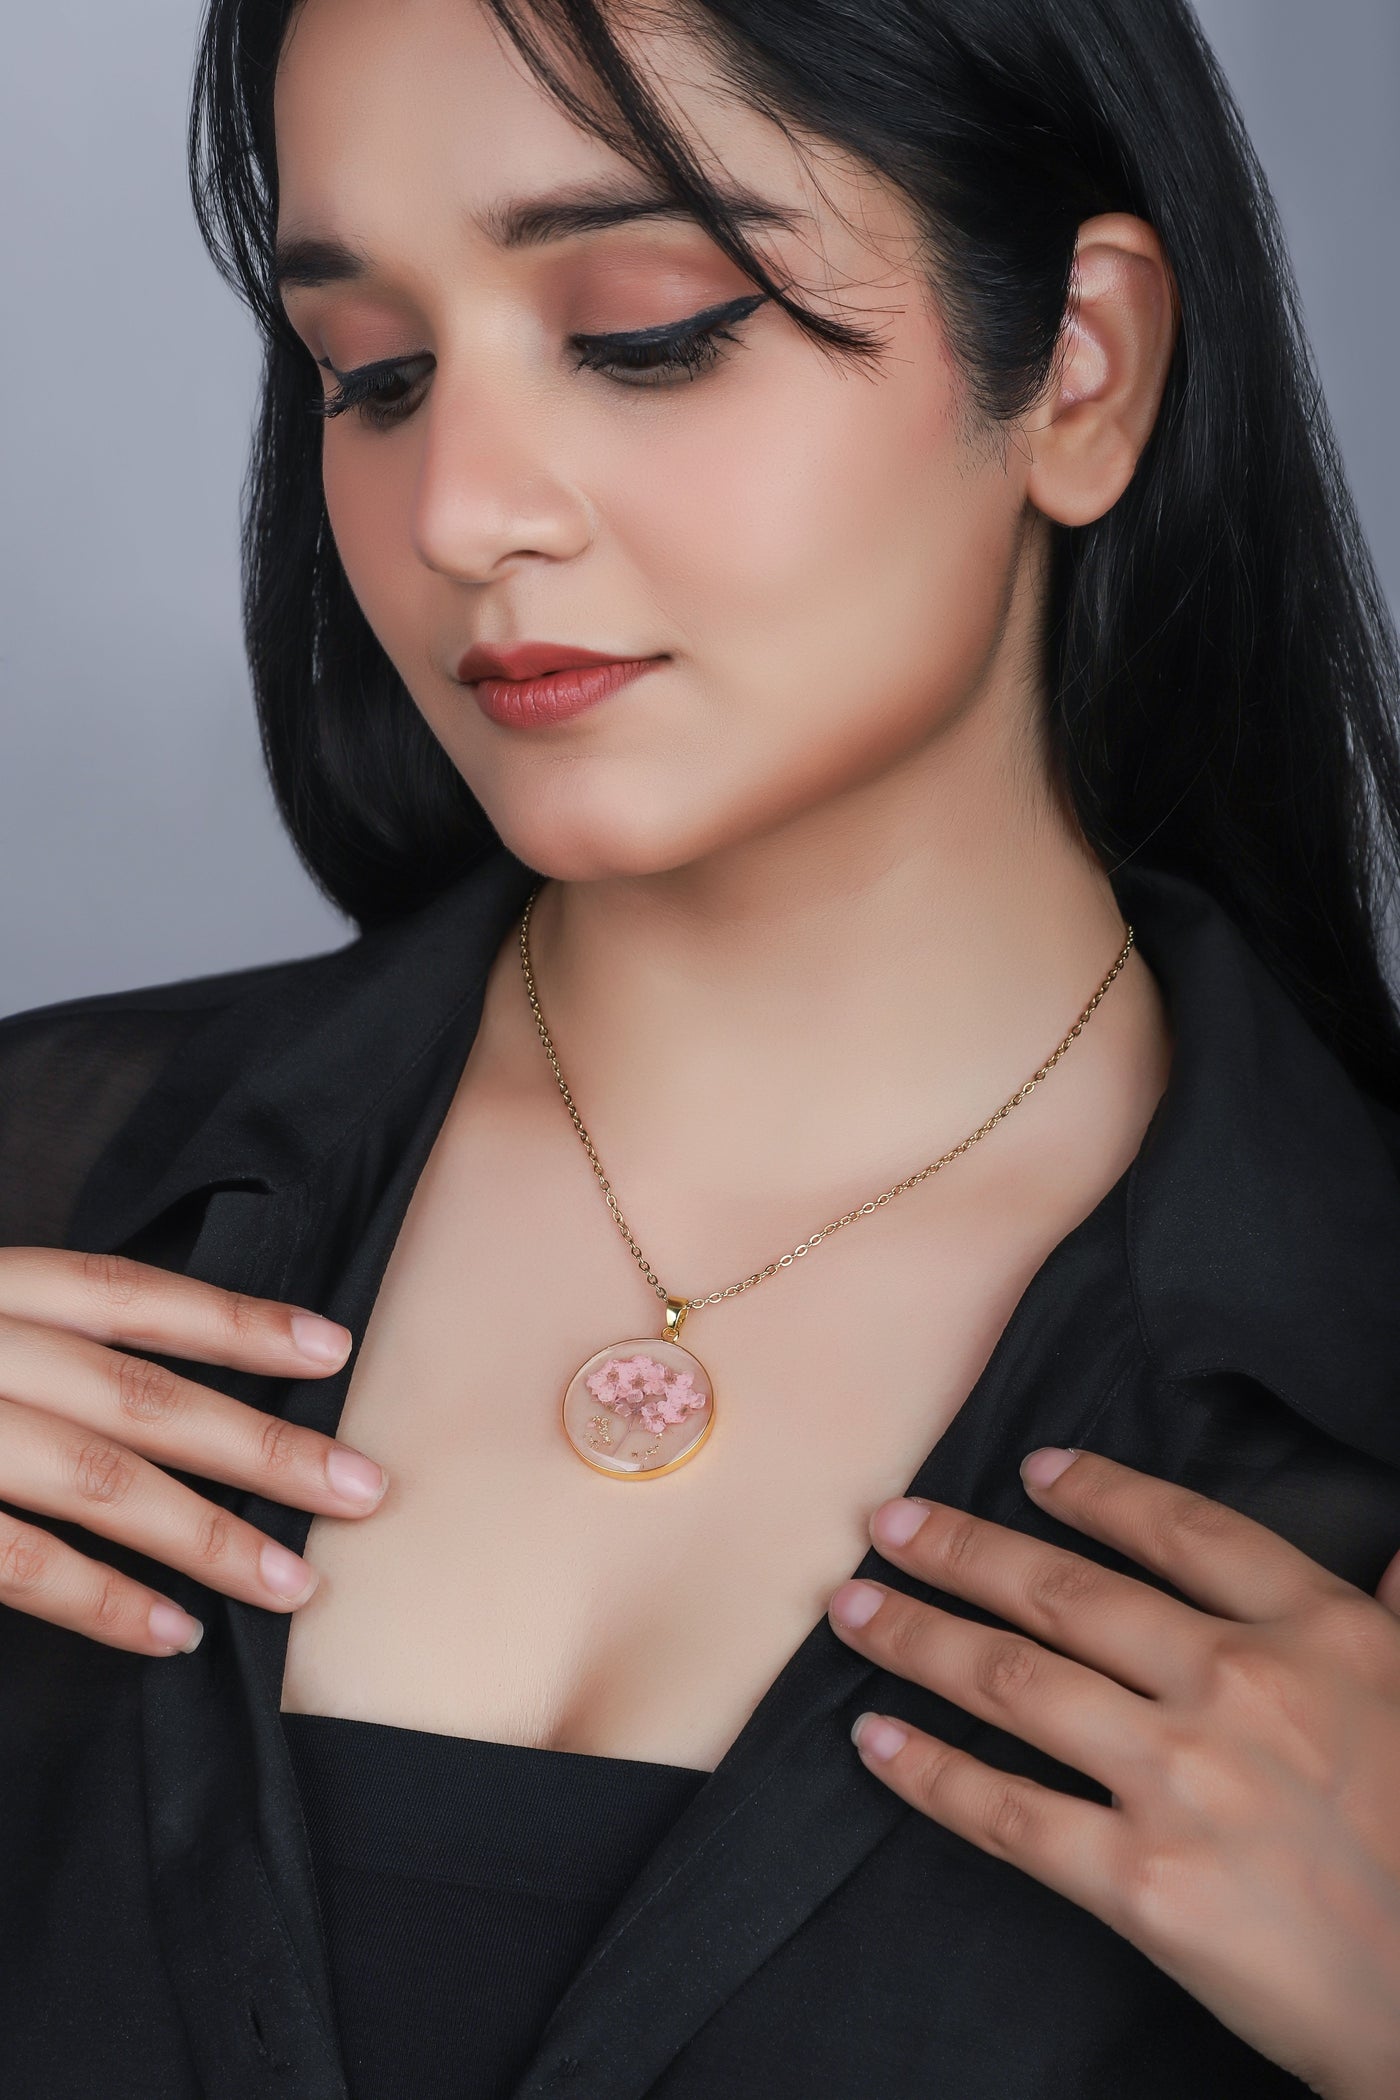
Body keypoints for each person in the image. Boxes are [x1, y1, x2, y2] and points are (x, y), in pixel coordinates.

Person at [2, 0, 1400, 2094]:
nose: (460, 511)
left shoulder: (1353, 1354)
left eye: (646, 334)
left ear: (1081, 365)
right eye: (372, 374)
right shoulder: (42, 1193)